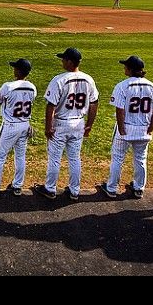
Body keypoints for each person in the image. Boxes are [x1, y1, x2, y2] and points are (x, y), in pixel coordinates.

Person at [34, 48, 99, 201]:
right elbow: (94, 103)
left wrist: (48, 127)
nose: (62, 61)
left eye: (64, 59)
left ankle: (50, 189)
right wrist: (89, 124)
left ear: (70, 62)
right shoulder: (88, 79)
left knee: (55, 158)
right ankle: (75, 191)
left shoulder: (59, 80)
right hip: (79, 123)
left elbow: (51, 105)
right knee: (75, 158)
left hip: (61, 124)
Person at [100, 55, 153, 199]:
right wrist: (151, 129)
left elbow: (119, 110)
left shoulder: (122, 86)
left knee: (117, 158)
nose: (124, 67)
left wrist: (121, 129)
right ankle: (139, 188)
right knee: (140, 159)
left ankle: (112, 188)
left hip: (126, 128)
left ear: (130, 69)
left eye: (126, 66)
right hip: (144, 130)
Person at [0, 59, 37, 198]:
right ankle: (17, 186)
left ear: (19, 71)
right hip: (25, 125)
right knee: (20, 156)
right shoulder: (32, 87)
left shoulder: (8, 86)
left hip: (10, 126)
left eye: (15, 68)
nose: (13, 69)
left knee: (0, 157)